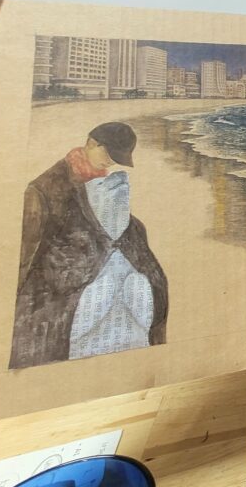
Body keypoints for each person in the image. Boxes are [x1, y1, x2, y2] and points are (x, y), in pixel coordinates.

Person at [10, 122, 168, 368]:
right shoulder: (43, 190)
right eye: (109, 155)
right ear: (92, 143)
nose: (111, 163)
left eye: (116, 158)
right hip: (61, 276)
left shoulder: (101, 181)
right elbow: (27, 253)